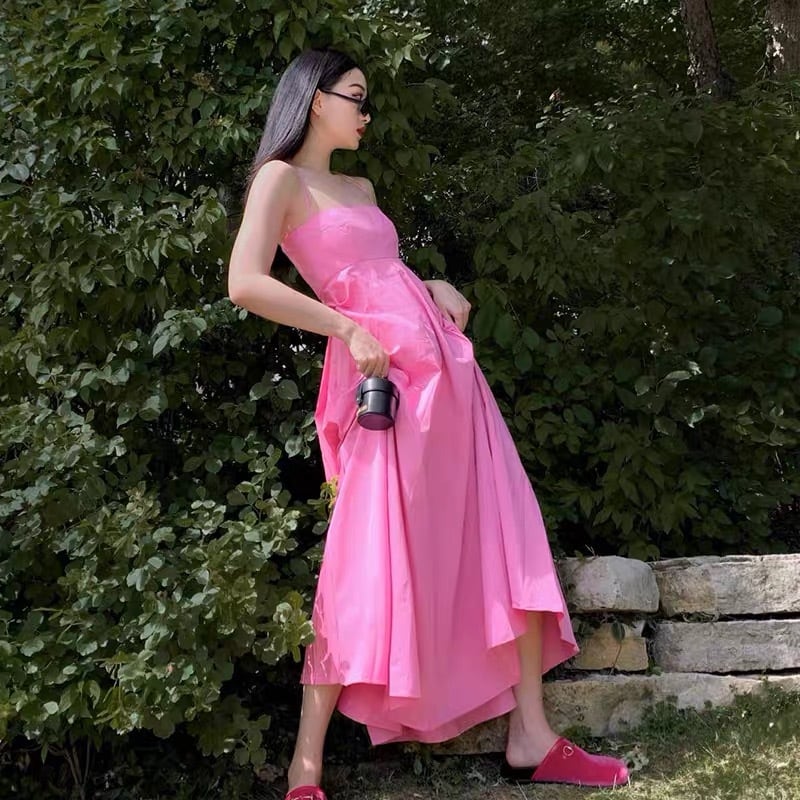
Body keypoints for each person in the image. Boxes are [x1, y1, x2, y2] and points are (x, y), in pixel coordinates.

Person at [227, 47, 629, 800]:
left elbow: (379, 272)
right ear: (315, 99)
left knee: (505, 535)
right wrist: (345, 329)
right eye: (356, 96)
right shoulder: (280, 180)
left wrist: (430, 280)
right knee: (361, 562)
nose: (366, 111)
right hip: (385, 389)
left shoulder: (361, 187)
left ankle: (531, 736)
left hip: (450, 378)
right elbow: (244, 283)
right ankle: (305, 769)